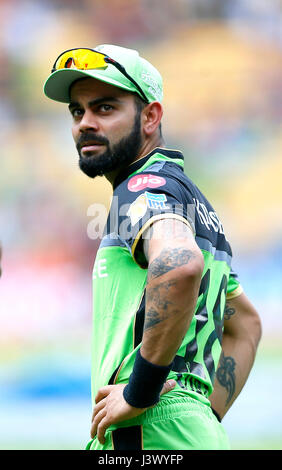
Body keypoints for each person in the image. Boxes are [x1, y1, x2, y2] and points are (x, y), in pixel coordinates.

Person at [44, 45, 262, 450]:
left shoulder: (141, 187)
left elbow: (179, 266)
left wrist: (139, 393)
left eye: (105, 108)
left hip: (147, 432)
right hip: (190, 434)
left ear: (150, 117)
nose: (85, 124)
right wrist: (198, 414)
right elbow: (245, 324)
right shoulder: (192, 202)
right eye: (78, 111)